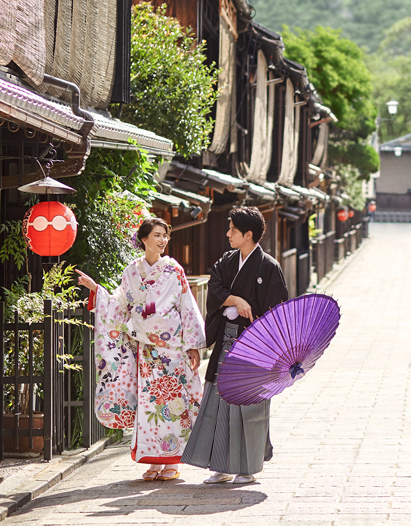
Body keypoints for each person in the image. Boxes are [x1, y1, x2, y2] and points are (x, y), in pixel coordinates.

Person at [76, 217, 206, 481]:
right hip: (146, 351)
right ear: (144, 239)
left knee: (172, 404)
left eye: (165, 236)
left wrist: (193, 345)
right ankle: (153, 461)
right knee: (149, 407)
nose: (162, 240)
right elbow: (119, 305)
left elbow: (186, 306)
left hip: (172, 350)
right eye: (157, 235)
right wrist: (97, 290)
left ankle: (172, 461)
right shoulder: (131, 272)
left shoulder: (173, 270)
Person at [182, 206, 289, 484]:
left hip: (254, 348)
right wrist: (235, 300)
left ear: (248, 234)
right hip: (227, 340)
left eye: (233, 230)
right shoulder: (228, 260)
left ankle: (247, 467)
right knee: (218, 403)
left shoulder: (268, 267)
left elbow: (277, 313)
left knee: (248, 407)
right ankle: (221, 465)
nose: (228, 233)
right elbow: (215, 286)